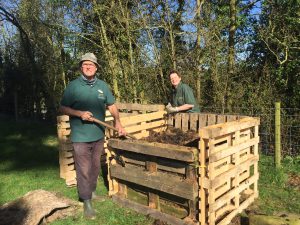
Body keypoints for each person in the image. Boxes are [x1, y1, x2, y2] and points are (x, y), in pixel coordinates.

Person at [59, 53, 126, 219]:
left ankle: (92, 191)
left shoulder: (103, 86)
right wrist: (79, 113)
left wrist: (118, 122)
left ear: (96, 67)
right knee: (84, 169)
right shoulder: (73, 86)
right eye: (85, 65)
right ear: (81, 67)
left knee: (95, 166)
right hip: (80, 136)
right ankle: (86, 201)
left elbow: (111, 105)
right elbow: (63, 108)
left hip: (98, 134)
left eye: (91, 64)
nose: (88, 67)